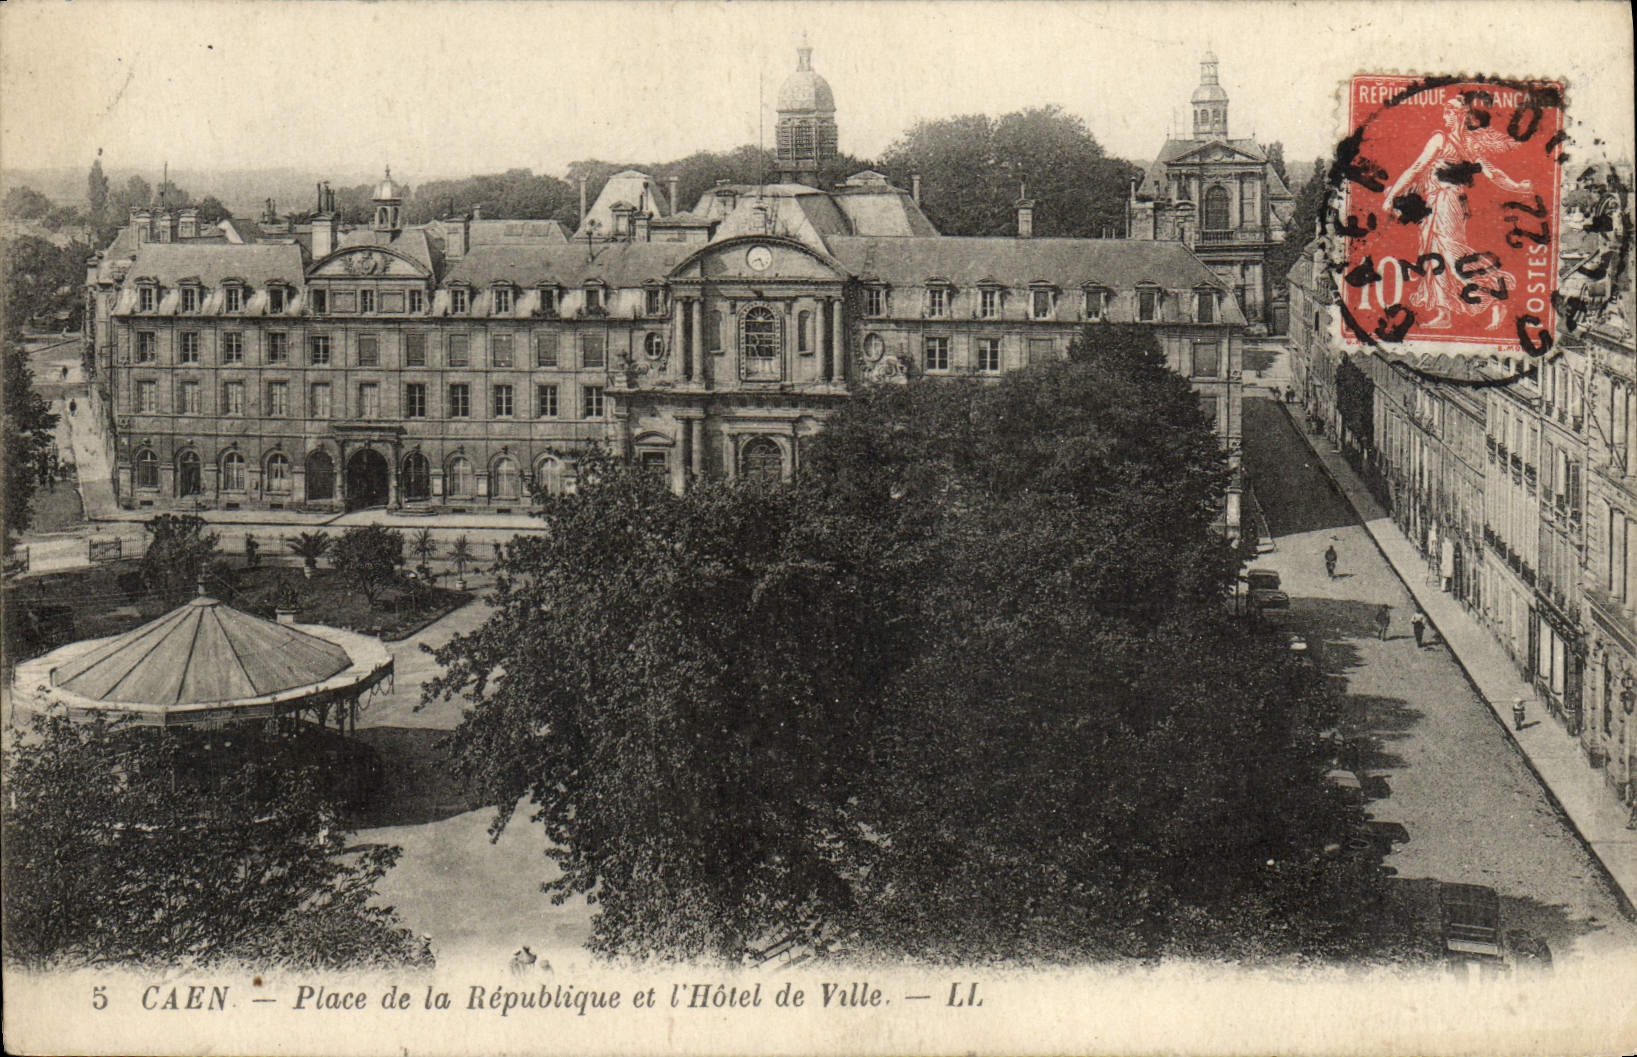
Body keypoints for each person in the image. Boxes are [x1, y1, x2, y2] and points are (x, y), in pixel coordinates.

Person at [1383, 94, 1534, 331]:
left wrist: (1517, 187)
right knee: (1435, 256)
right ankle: (1444, 313)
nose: (1446, 116)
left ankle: (1495, 299)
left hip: (1448, 204)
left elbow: (1490, 172)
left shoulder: (1457, 143)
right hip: (1435, 204)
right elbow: (1418, 168)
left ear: (1461, 116)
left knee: (1454, 257)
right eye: (1446, 112)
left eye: (1451, 112)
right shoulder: (1447, 140)